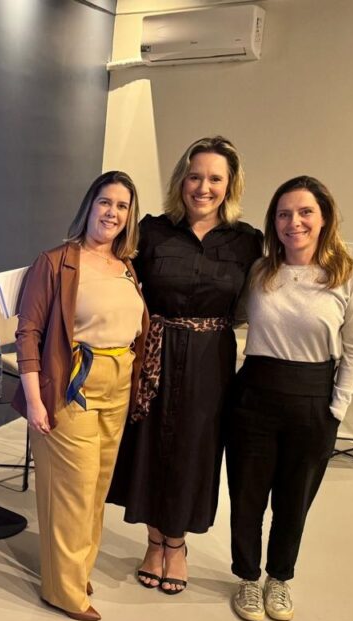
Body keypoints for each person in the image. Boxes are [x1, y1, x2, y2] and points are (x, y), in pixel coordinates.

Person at [107, 136, 262, 595]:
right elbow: (118, 278)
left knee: (196, 447)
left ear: (230, 185)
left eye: (215, 178)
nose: (203, 187)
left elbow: (251, 302)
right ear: (182, 179)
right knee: (150, 442)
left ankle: (177, 544)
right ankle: (153, 539)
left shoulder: (247, 241)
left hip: (210, 355)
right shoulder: (152, 231)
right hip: (154, 353)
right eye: (195, 176)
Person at [227, 176, 353, 621]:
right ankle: (248, 579)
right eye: (284, 213)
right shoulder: (260, 272)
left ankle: (279, 578)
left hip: (313, 399)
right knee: (247, 496)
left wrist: (337, 409)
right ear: (274, 221)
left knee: (295, 499)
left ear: (324, 217)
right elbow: (230, 320)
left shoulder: (349, 275)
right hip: (254, 394)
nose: (295, 222)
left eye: (305, 212)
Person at [12, 170, 149, 621]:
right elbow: (28, 333)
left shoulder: (127, 267)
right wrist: (34, 401)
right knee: (71, 491)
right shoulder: (55, 262)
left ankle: (77, 570)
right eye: (105, 202)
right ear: (89, 206)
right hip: (71, 386)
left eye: (123, 206)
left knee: (95, 490)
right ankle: (64, 590)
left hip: (119, 384)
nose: (113, 213)